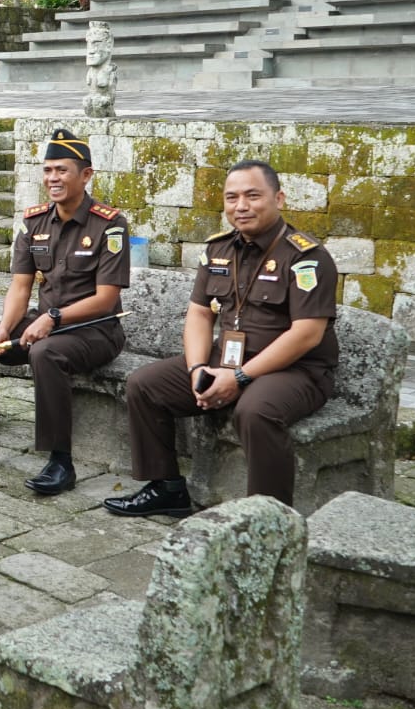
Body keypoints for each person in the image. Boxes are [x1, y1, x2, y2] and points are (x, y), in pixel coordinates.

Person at [104, 160, 338, 515]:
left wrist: (240, 377)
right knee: (144, 385)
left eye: (252, 195)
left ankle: (266, 519)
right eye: (232, 197)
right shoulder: (218, 250)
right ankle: (167, 488)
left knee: (255, 411)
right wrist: (198, 368)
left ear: (279, 198)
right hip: (226, 362)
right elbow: (200, 313)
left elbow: (307, 334)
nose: (240, 206)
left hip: (295, 371)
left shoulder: (306, 257)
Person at [0, 129, 129, 496]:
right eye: (47, 170)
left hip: (95, 330)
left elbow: (106, 299)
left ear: (86, 175)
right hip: (44, 323)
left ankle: (61, 461)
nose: (52, 179)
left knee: (45, 352)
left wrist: (53, 318)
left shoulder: (109, 224)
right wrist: (6, 328)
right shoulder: (35, 222)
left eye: (61, 170)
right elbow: (20, 286)